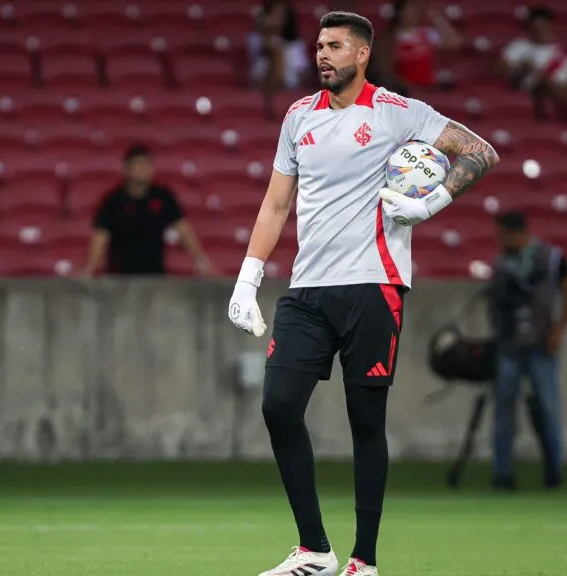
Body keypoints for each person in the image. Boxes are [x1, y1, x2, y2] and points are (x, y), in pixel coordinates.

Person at [226, 11, 499, 576]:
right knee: (278, 406)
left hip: (374, 286)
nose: (322, 55)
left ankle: (363, 561)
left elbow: (480, 151)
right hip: (306, 290)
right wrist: (249, 275)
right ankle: (314, 550)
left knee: (365, 421)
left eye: (335, 46)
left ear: (361, 54)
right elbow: (277, 204)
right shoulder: (298, 116)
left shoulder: (400, 113)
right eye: (319, 46)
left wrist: (431, 203)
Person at [486, 211, 567, 491]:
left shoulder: (552, 258)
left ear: (516, 232)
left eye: (502, 234)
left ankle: (554, 471)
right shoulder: (500, 262)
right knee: (504, 412)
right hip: (508, 346)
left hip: (541, 345)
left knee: (548, 410)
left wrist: (558, 330)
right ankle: (502, 475)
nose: (499, 240)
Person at [81, 145, 214, 277]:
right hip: (120, 278)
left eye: (147, 164)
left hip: (155, 277)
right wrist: (91, 267)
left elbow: (183, 229)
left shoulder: (163, 197)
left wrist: (200, 260)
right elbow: (101, 236)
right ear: (127, 169)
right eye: (138, 165)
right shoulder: (113, 201)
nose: (143, 169)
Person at [499, 6, 567, 119]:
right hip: (534, 90)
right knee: (544, 81)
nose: (539, 31)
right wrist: (522, 68)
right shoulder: (519, 46)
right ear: (529, 28)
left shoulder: (566, 53)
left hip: (564, 88)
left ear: (550, 26)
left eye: (543, 27)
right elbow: (499, 70)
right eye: (535, 27)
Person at [376, 0, 461, 91]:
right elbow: (385, 67)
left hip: (428, 86)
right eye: (407, 10)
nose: (411, 14)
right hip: (403, 89)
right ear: (399, 13)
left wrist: (438, 19)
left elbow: (454, 43)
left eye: (413, 10)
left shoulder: (426, 33)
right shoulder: (390, 38)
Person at [247, 0, 311, 92]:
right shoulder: (255, 39)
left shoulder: (296, 45)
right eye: (273, 13)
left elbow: (302, 73)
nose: (276, 18)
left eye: (281, 14)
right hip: (264, 86)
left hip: (291, 90)